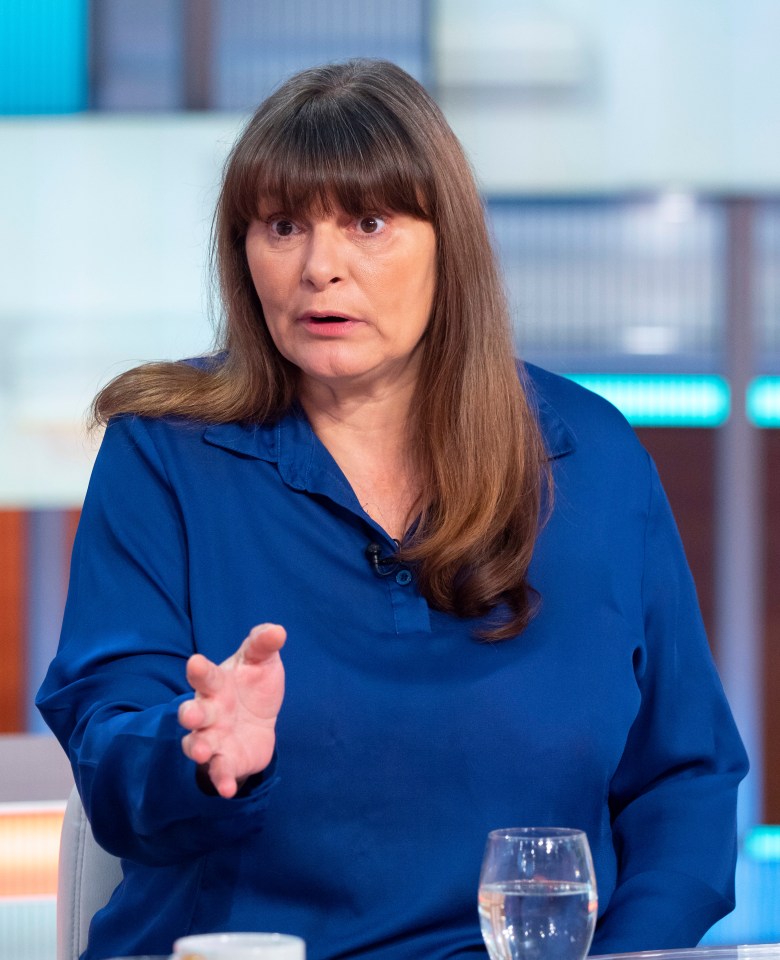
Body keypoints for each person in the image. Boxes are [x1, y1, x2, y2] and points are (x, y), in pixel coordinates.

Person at [38, 59, 748, 960]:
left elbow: (685, 780)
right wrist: (199, 753)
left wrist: (626, 954)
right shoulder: (166, 452)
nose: (320, 268)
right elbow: (110, 741)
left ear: (448, 241)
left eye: (368, 223)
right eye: (283, 225)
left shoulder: (591, 458)